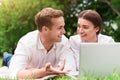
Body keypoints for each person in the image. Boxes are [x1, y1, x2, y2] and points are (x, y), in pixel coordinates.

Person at [8, 7, 76, 79]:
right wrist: (44, 71)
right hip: (18, 59)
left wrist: (31, 72)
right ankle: (7, 56)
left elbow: (70, 69)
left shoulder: (63, 41)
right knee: (9, 60)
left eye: (63, 27)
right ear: (45, 29)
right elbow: (14, 74)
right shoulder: (25, 43)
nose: (64, 32)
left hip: (29, 68)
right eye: (60, 28)